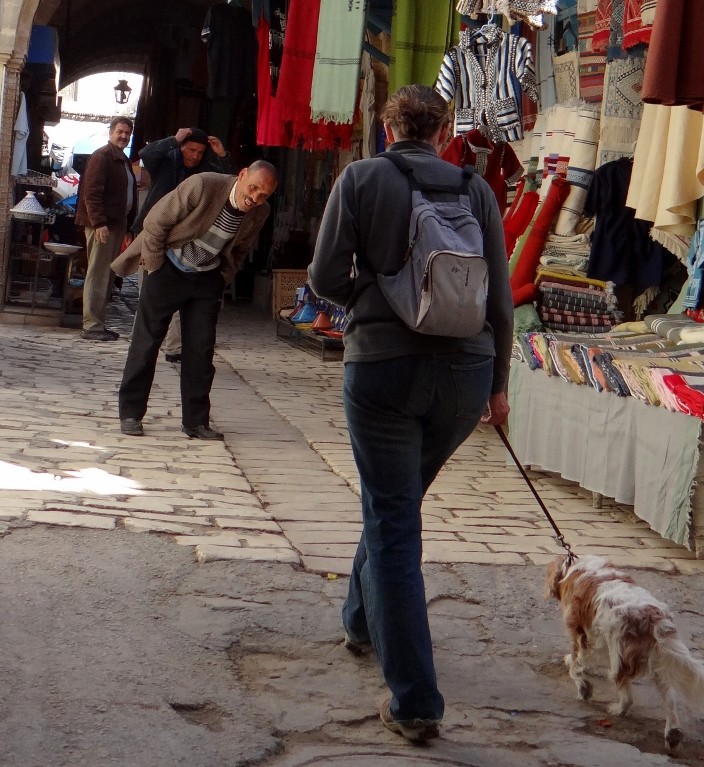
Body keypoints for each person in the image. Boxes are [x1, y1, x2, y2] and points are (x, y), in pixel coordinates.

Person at [307, 84, 514, 743]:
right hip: (465, 373)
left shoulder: (362, 179)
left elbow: (323, 276)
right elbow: (499, 297)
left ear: (387, 126)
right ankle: (361, 620)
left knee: (393, 517)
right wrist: (499, 385)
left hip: (384, 367)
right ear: (445, 130)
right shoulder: (476, 191)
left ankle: (416, 699)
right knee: (395, 501)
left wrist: (373, 294)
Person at [110, 161, 278, 440]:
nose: (255, 198)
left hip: (207, 277)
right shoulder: (203, 185)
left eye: (264, 195)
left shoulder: (261, 212)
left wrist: (223, 277)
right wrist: (154, 266)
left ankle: (196, 422)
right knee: (146, 341)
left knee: (201, 350)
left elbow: (241, 249)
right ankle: (130, 413)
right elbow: (155, 222)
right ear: (242, 175)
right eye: (253, 188)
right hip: (168, 267)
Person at [131, 127, 236, 363]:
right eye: (191, 150)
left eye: (200, 152)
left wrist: (222, 156)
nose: (195, 156)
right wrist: (173, 139)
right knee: (148, 290)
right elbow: (146, 154)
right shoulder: (166, 162)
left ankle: (174, 347)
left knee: (180, 289)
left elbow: (232, 185)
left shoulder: (205, 171)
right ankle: (141, 344)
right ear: (182, 147)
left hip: (184, 239)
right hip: (154, 233)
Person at [74, 116, 136, 341]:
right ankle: (91, 325)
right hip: (103, 226)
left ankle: (97, 323)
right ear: (111, 133)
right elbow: (91, 193)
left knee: (107, 275)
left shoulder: (122, 159)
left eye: (127, 133)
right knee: (98, 274)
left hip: (116, 225)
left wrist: (129, 226)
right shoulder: (102, 156)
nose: (124, 136)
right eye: (120, 131)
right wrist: (99, 223)